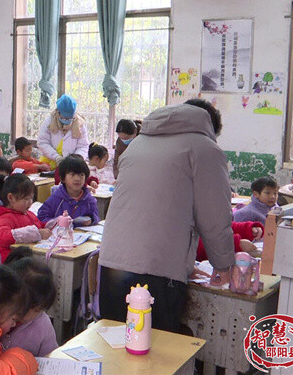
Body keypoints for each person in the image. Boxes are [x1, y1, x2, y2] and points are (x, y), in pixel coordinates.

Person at [99, 100, 236, 333]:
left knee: (114, 340)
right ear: (209, 126)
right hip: (157, 269)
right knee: (156, 346)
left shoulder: (139, 143)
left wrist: (185, 263)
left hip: (112, 263)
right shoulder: (204, 148)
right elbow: (215, 218)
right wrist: (223, 265)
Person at [1, 247, 58, 357]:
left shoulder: (42, 324)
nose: (34, 315)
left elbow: (50, 356)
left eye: (38, 310)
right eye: (34, 310)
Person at [0, 174, 49, 262]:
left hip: (27, 258)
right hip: (12, 262)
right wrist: (36, 233)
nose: (30, 202)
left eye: (31, 198)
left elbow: (40, 226)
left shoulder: (28, 213)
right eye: (26, 199)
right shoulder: (5, 218)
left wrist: (55, 224)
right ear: (11, 198)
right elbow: (2, 237)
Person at [37, 155, 99, 227]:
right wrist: (58, 221)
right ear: (63, 178)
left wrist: (92, 220)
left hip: (81, 232)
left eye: (81, 175)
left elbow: (96, 216)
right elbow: (41, 218)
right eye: (72, 174)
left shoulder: (89, 200)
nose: (77, 179)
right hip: (60, 232)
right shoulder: (56, 199)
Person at [36, 94, 90, 170]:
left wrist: (76, 159)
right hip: (50, 163)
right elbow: (42, 142)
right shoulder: (49, 123)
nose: (67, 120)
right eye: (64, 117)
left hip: (71, 166)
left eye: (70, 118)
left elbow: (83, 146)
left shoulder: (80, 125)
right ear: (58, 112)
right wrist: (56, 157)